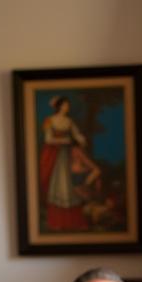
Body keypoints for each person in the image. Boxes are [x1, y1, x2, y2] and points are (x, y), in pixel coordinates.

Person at [39, 96, 100, 232]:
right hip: (55, 156)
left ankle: (74, 221)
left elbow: (76, 134)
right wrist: (65, 140)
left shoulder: (69, 121)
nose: (67, 107)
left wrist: (81, 139)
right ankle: (57, 221)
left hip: (68, 156)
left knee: (70, 186)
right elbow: (48, 139)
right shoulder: (50, 121)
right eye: (65, 105)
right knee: (59, 185)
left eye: (68, 105)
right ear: (59, 106)